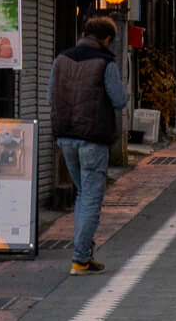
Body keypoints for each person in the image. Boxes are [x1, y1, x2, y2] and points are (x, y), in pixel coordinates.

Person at [48, 14, 128, 273]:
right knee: (91, 197)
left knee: (83, 195)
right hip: (93, 138)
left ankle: (85, 252)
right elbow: (119, 100)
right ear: (106, 39)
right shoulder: (106, 63)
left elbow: (51, 95)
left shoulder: (61, 60)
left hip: (65, 137)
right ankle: (80, 258)